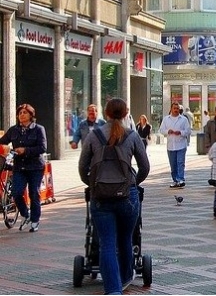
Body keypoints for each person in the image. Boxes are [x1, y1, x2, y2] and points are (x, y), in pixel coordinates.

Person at [78, 98, 150, 295]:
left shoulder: (94, 136)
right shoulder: (133, 136)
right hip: (127, 196)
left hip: (101, 197)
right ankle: (126, 277)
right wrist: (133, 183)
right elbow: (144, 167)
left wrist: (93, 185)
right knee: (126, 238)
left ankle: (113, 290)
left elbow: (82, 168)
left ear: (106, 113)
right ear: (126, 113)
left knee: (107, 243)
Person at [0, 104, 47, 233]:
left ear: (31, 115)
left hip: (35, 166)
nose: (22, 115)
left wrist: (25, 150)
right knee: (16, 192)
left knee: (34, 193)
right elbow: (2, 141)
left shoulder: (38, 129)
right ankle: (26, 214)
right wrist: (6, 148)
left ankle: (35, 220)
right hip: (19, 166)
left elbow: (42, 148)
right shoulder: (13, 130)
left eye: (25, 112)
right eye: (20, 113)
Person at [159, 102, 192, 188]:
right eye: (174, 108)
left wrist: (180, 132)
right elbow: (161, 130)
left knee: (180, 163)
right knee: (173, 164)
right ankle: (175, 180)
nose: (176, 110)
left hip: (181, 145)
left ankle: (181, 179)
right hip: (171, 145)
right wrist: (167, 132)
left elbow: (188, 131)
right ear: (171, 109)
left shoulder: (183, 119)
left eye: (177, 109)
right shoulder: (166, 119)